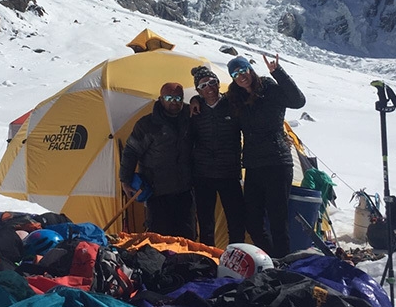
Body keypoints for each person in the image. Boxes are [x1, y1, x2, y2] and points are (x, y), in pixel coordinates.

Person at [226, 54, 306, 258]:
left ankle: (282, 265)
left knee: (278, 222)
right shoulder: (236, 98)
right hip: (254, 166)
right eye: (235, 74)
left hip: (277, 162)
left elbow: (298, 101)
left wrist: (278, 72)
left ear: (249, 70)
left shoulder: (269, 89)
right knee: (253, 222)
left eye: (242, 70)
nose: (240, 76)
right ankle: (271, 260)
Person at [119, 82, 196, 239]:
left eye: (178, 98)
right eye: (169, 98)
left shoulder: (191, 117)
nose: (174, 102)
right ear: (161, 99)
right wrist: (125, 180)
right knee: (159, 238)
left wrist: (197, 100)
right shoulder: (147, 124)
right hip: (157, 192)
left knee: (187, 237)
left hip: (185, 190)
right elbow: (131, 151)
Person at [188, 65, 246, 246]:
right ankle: (208, 259)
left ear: (218, 84)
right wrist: (193, 100)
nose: (209, 88)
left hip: (229, 173)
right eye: (203, 86)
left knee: (236, 221)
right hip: (203, 174)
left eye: (212, 82)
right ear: (198, 90)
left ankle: (236, 255)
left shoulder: (233, 105)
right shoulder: (195, 111)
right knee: (205, 223)